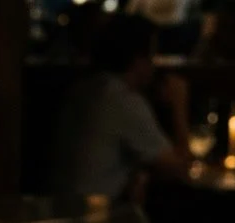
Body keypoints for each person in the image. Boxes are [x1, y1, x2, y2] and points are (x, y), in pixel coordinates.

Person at [55, 13, 190, 201]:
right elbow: (180, 169)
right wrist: (179, 103)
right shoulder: (123, 101)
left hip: (63, 206)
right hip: (91, 216)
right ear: (138, 60)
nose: (154, 65)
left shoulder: (86, 88)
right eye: (151, 56)